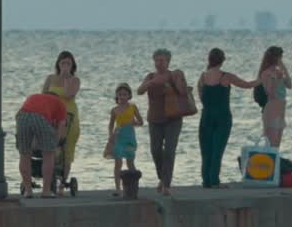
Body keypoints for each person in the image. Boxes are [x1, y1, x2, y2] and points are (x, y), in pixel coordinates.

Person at [197, 48, 257, 188]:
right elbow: (247, 85)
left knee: (206, 150)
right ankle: (214, 181)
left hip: (206, 117)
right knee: (218, 150)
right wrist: (262, 80)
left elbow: (201, 97)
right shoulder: (226, 77)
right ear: (222, 60)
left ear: (209, 59)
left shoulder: (202, 77)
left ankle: (206, 181)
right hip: (223, 117)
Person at [137, 49, 187, 195]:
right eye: (157, 60)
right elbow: (139, 91)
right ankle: (162, 178)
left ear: (168, 62)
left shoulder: (174, 74)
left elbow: (183, 92)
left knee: (170, 151)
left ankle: (166, 184)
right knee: (155, 150)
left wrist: (172, 84)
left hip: (173, 118)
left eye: (162, 60)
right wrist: (152, 82)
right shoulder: (151, 76)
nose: (159, 63)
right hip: (154, 119)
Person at [16, 91, 68, 198]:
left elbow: (20, 114)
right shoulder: (60, 103)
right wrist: (55, 143)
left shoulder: (33, 96)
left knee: (24, 154)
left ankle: (28, 191)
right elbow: (62, 125)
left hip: (22, 116)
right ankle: (46, 191)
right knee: (48, 155)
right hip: (40, 117)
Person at [42, 50, 81, 193]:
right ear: (58, 64)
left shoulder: (74, 80)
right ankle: (47, 176)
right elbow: (43, 95)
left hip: (69, 116)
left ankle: (62, 183)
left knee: (66, 150)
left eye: (68, 63)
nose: (65, 65)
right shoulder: (50, 78)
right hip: (52, 116)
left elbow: (70, 95)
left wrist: (65, 78)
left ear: (72, 65)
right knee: (52, 147)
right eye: (63, 62)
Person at [106, 84, 144, 195]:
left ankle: (133, 186)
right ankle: (118, 188)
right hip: (118, 137)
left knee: (130, 162)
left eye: (125, 94)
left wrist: (134, 123)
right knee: (118, 163)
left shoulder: (133, 107)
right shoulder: (114, 110)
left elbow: (141, 122)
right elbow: (110, 125)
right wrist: (110, 136)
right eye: (120, 94)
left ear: (129, 96)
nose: (122, 97)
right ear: (117, 96)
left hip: (130, 138)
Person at [258, 46, 292, 148]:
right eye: (280, 57)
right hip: (272, 111)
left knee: (276, 146)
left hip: (281, 111)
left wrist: (284, 69)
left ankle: (275, 163)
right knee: (271, 145)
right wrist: (275, 80)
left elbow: (290, 85)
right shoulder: (266, 74)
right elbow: (270, 94)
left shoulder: (279, 72)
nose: (281, 60)